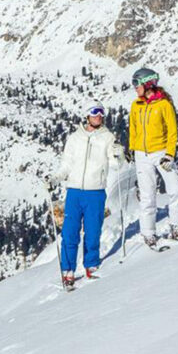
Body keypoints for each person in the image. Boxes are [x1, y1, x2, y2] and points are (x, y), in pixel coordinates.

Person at [53, 103, 118, 290]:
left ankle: (91, 264)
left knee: (93, 230)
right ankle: (68, 270)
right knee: (69, 232)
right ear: (87, 116)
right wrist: (55, 178)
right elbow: (66, 165)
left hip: (95, 191)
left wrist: (118, 155)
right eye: (94, 112)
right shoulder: (75, 138)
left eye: (101, 112)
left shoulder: (108, 137)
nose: (98, 115)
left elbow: (115, 164)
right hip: (74, 191)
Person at [128, 67, 178, 246]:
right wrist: (132, 149)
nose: (134, 87)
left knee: (175, 188)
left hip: (161, 152)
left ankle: (176, 225)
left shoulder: (164, 105)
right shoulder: (136, 105)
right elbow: (133, 129)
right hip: (141, 155)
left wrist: (169, 155)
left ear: (148, 83)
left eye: (137, 83)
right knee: (147, 195)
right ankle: (148, 232)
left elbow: (172, 132)